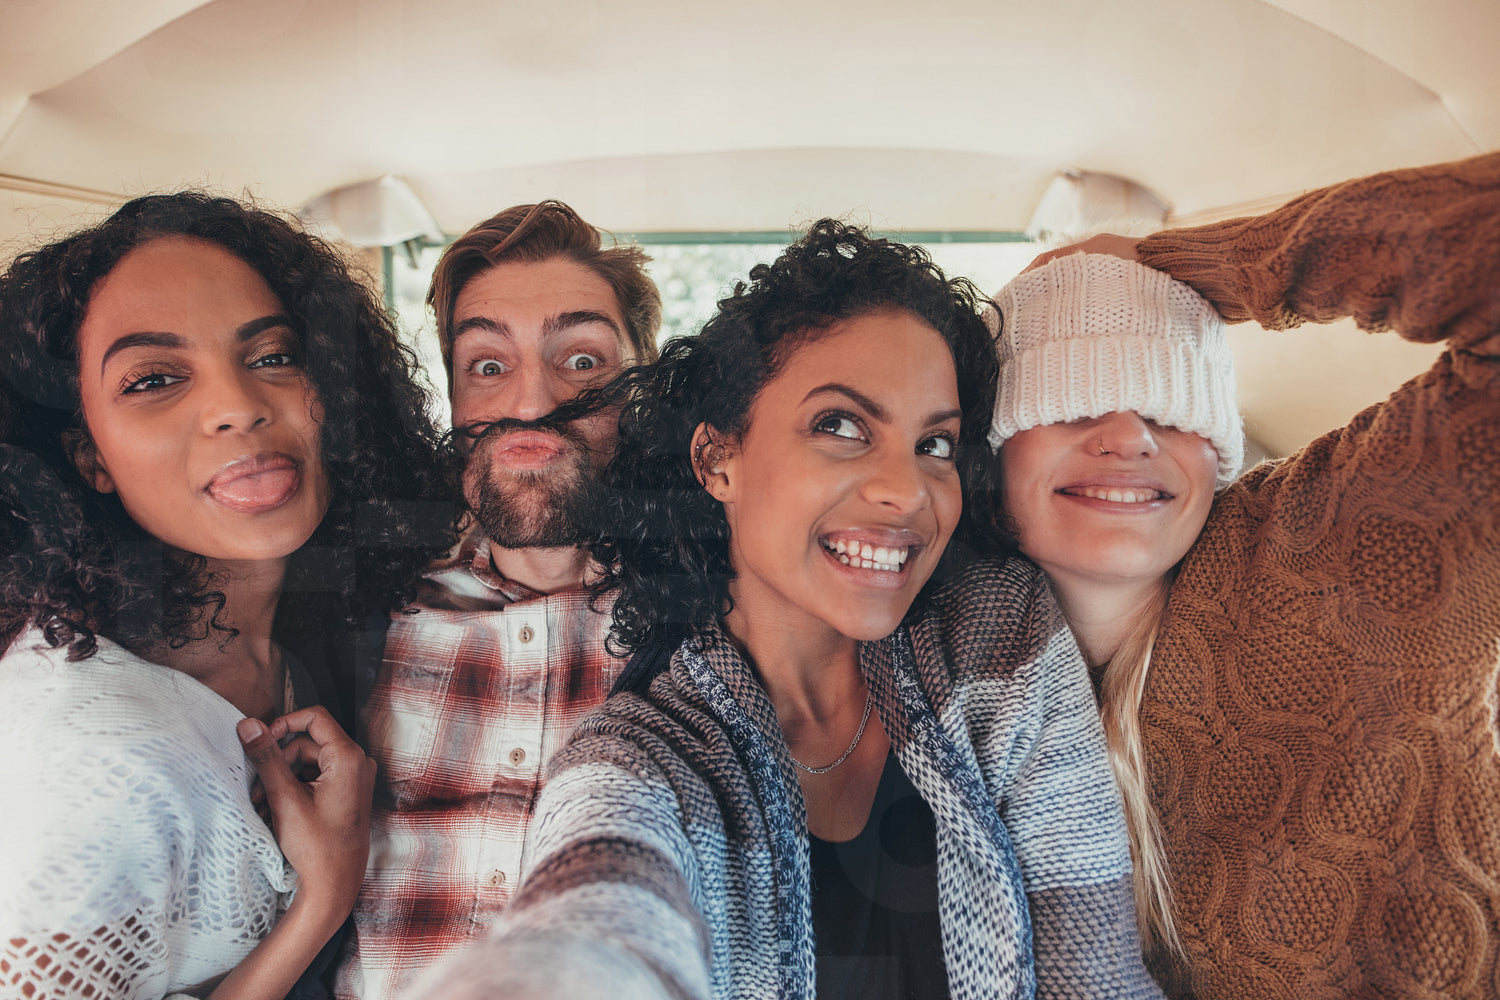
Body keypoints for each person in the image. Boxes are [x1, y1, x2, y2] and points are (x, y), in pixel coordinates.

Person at [409, 220, 1166, 1000]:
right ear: (717, 460)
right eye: (839, 426)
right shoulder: (643, 753)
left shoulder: (998, 633)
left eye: (934, 445)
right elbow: (602, 905)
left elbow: (1096, 966)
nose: (906, 492)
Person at [987, 153, 1500, 998]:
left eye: (1170, 406)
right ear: (992, 454)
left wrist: (1213, 264)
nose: (1130, 436)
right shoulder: (931, 673)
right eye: (1073, 401)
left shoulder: (1338, 542)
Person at [0, 192, 454, 1000]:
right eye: (153, 379)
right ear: (87, 456)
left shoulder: (312, 629)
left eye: (273, 356)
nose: (239, 406)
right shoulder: (92, 754)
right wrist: (321, 899)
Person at [334, 200, 662, 999]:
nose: (531, 403)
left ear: (643, 387)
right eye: (487, 365)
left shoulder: (715, 624)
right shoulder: (357, 603)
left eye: (581, 360)